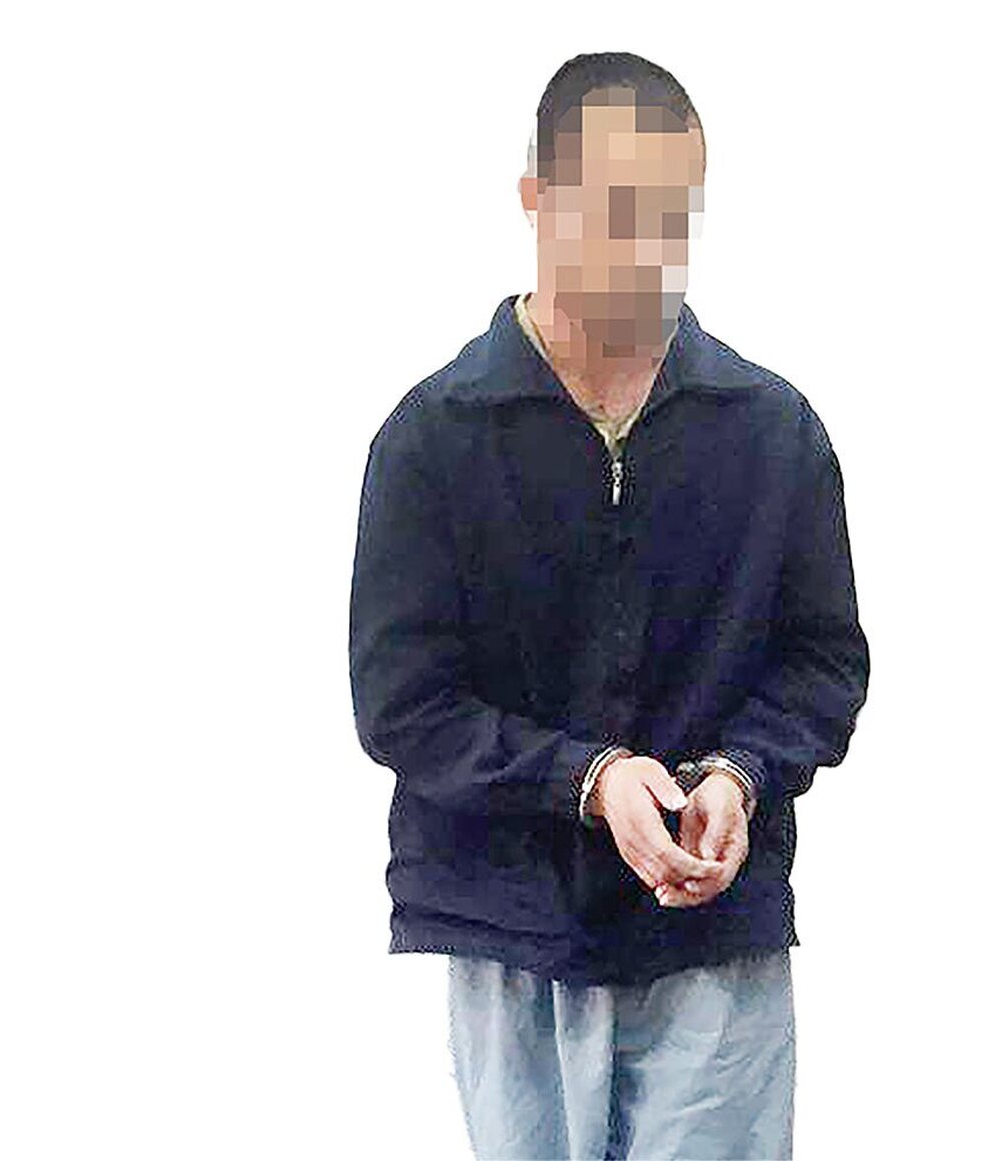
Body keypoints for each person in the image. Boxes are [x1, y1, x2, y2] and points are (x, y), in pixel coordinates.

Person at [349, 51, 870, 1160]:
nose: (645, 248)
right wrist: (588, 781)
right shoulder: (432, 441)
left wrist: (740, 773)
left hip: (714, 934)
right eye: (615, 209)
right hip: (509, 929)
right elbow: (404, 705)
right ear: (535, 198)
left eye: (672, 213)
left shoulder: (773, 433)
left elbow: (824, 662)